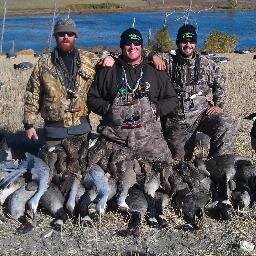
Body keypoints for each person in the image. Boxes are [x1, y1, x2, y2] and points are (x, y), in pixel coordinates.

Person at [87, 27, 178, 226]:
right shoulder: (109, 69)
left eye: (136, 43)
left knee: (168, 171)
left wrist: (155, 109)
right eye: (128, 43)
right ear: (122, 46)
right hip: (115, 138)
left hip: (149, 138)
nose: (132, 47)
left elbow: (172, 99)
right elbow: (92, 99)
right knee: (101, 173)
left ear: (142, 47)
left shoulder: (155, 70)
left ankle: (153, 201)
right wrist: (109, 109)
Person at [23, 17, 113, 179]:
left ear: (75, 36)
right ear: (55, 37)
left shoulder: (89, 59)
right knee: (54, 174)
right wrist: (29, 124)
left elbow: (120, 62)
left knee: (82, 172)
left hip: (81, 130)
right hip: (54, 132)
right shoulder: (43, 63)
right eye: (61, 33)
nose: (66, 37)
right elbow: (33, 93)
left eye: (70, 33)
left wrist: (110, 58)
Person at [150, 24, 237, 161]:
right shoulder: (167, 59)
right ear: (178, 42)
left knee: (226, 124)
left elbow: (219, 83)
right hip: (176, 119)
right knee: (180, 160)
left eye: (191, 41)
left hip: (201, 114)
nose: (188, 45)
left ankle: (218, 164)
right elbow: (138, 53)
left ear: (195, 43)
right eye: (184, 41)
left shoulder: (207, 63)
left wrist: (218, 104)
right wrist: (153, 56)